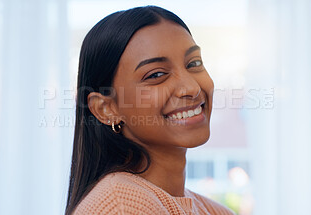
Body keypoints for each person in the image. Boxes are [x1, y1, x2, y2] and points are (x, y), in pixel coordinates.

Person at [65, 5, 235, 215]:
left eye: (194, 63)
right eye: (155, 75)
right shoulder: (122, 208)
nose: (192, 87)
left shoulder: (216, 211)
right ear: (106, 108)